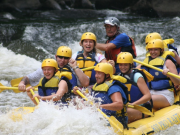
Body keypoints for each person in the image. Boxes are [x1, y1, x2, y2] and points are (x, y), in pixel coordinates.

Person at [73, 63, 129, 128]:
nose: (96, 76)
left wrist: (100, 106)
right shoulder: (98, 85)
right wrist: (81, 93)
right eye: (96, 73)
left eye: (99, 73)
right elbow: (92, 99)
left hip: (115, 119)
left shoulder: (113, 88)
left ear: (107, 75)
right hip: (102, 115)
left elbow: (119, 105)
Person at [18, 46, 89, 92]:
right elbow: (28, 77)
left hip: (68, 100)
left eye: (66, 58)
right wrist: (22, 83)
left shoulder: (74, 69)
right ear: (56, 57)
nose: (62, 60)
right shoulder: (47, 68)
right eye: (60, 57)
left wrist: (75, 67)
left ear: (70, 58)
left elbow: (85, 83)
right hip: (50, 100)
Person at [139, 39, 180, 110]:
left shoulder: (168, 62)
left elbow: (177, 82)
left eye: (155, 49)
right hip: (150, 92)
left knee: (146, 100)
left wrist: (169, 75)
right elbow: (133, 71)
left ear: (161, 50)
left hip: (165, 95)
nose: (152, 52)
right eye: (150, 50)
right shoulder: (146, 61)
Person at [117, 52, 152, 123]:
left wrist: (133, 104)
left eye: (125, 65)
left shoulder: (137, 76)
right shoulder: (119, 76)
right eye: (120, 65)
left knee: (121, 113)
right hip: (128, 107)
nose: (123, 67)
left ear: (131, 64)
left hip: (142, 108)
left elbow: (148, 96)